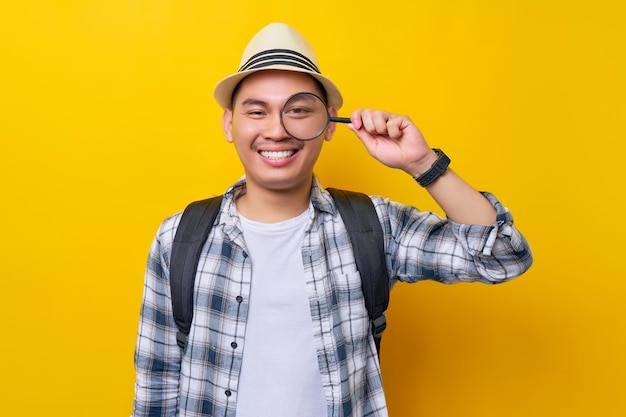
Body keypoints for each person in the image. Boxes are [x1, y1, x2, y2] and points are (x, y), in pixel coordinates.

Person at [132, 22, 533, 417]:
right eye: (257, 111)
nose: (277, 130)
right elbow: (157, 384)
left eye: (299, 111)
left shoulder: (372, 225)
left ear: (329, 123)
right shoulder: (179, 238)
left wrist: (422, 164)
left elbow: (502, 254)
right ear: (228, 123)